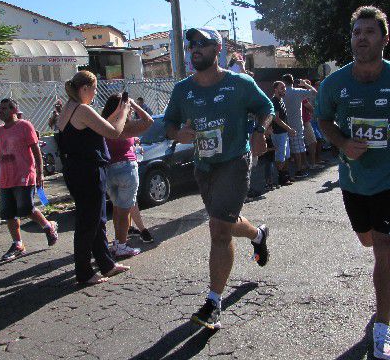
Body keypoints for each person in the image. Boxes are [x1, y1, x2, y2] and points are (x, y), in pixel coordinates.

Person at [315, 6, 390, 360]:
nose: (361, 38)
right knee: (367, 240)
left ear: (384, 39)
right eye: (356, 32)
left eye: (369, 32)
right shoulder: (334, 84)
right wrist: (342, 143)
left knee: (384, 248)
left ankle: (382, 325)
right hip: (353, 181)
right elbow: (323, 120)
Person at [164, 27, 273, 330]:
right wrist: (177, 133)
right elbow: (169, 124)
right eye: (191, 44)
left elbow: (266, 107)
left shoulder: (240, 83)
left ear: (218, 49)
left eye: (201, 43)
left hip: (234, 162)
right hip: (204, 166)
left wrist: (259, 131)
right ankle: (258, 235)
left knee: (219, 230)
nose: (194, 48)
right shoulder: (182, 89)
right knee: (225, 221)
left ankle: (213, 303)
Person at [56, 71, 132, 285]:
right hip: (87, 171)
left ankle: (106, 264)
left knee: (97, 219)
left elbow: (99, 127)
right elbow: (114, 132)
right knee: (88, 222)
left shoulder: (69, 108)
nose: (96, 93)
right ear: (85, 89)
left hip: (76, 170)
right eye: (94, 88)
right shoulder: (82, 109)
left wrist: (117, 111)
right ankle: (84, 272)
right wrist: (124, 111)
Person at [0, 98, 58, 261]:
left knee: (26, 209)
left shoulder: (24, 126)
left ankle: (48, 226)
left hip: (24, 175)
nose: (1, 111)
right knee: (9, 213)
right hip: (7, 178)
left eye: (5, 109)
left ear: (14, 110)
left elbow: (36, 151)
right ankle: (18, 244)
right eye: (0, 109)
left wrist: (40, 173)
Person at [101, 94, 154, 258]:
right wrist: (133, 104)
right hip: (126, 169)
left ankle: (118, 243)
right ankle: (122, 245)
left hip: (109, 170)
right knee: (124, 211)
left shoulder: (104, 123)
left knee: (117, 210)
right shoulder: (127, 125)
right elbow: (149, 121)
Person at [281, 75, 316, 178]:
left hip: (284, 123)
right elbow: (314, 92)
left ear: (283, 82)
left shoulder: (282, 92)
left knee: (288, 148)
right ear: (292, 81)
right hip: (297, 123)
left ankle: (287, 171)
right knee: (299, 147)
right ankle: (299, 169)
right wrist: (305, 84)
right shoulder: (298, 91)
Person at [270, 80, 295, 186]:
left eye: (284, 87)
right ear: (275, 90)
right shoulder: (274, 101)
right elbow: (276, 119)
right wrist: (289, 128)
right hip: (278, 133)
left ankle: (286, 176)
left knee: (286, 156)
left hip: (284, 132)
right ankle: (281, 178)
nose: (284, 89)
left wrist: (288, 129)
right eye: (282, 88)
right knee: (280, 157)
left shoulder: (281, 100)